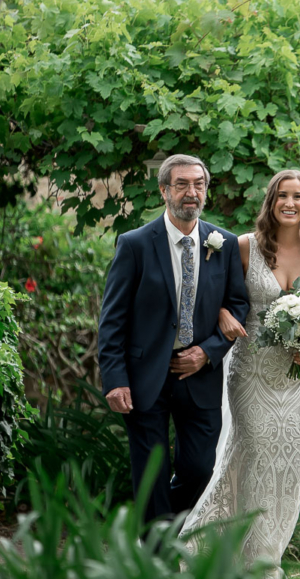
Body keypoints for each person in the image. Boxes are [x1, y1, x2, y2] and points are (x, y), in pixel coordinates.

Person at [180, 170, 300, 578]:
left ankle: (263, 563)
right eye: (282, 196)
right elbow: (215, 297)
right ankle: (205, 552)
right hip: (252, 373)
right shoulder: (245, 248)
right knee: (249, 461)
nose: (290, 203)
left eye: (298, 197)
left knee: (291, 469)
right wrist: (221, 315)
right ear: (270, 202)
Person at [97, 154, 250, 525]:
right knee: (150, 473)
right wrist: (115, 379)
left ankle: (166, 533)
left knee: (199, 468)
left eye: (198, 184)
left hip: (199, 375)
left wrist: (209, 352)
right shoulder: (134, 244)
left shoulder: (224, 244)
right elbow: (112, 318)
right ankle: (155, 559)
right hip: (144, 374)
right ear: (164, 190)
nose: (191, 192)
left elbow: (239, 305)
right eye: (182, 184)